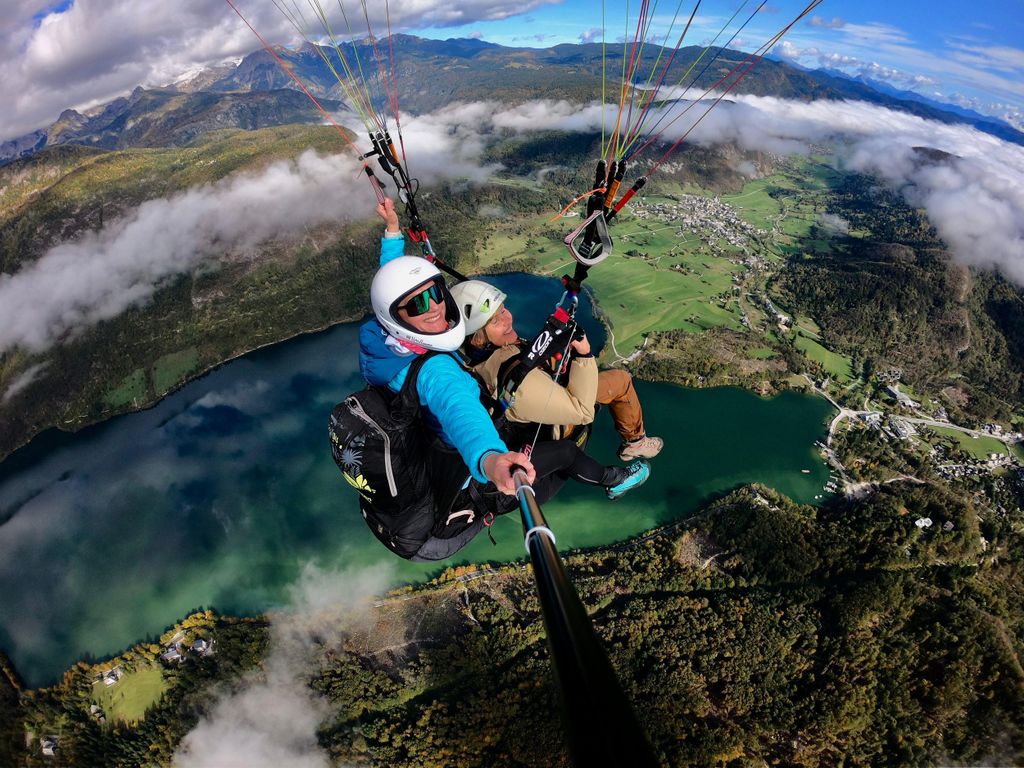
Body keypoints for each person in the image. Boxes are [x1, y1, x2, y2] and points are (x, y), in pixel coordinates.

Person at [358, 199, 535, 559]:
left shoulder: (382, 340)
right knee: (555, 454)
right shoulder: (436, 371)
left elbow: (391, 286)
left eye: (436, 293)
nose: (436, 307)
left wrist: (392, 231)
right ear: (397, 317)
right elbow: (460, 411)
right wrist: (490, 458)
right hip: (434, 529)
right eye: (419, 305)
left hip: (407, 475)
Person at [451, 278, 664, 462]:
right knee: (621, 380)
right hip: (558, 425)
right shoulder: (512, 375)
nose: (508, 319)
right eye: (496, 320)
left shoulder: (487, 358)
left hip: (546, 393)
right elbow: (582, 411)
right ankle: (635, 442)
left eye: (504, 310)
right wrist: (584, 354)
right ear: (478, 338)